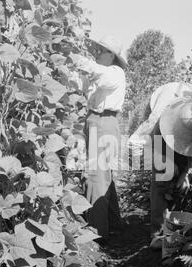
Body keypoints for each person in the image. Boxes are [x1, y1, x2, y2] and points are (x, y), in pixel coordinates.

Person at [129, 82, 192, 250]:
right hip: (160, 133)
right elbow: (136, 144)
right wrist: (164, 160)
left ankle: (174, 225)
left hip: (190, 120)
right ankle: (158, 234)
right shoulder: (158, 118)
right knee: (162, 180)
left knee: (179, 183)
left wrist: (185, 172)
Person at [69, 35, 127, 242]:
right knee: (104, 176)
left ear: (112, 55)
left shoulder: (114, 72)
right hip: (98, 123)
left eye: (101, 50)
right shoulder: (102, 74)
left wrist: (77, 58)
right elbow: (82, 83)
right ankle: (112, 223)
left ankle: (96, 231)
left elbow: (97, 73)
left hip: (103, 123)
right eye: (97, 49)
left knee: (96, 175)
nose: (97, 53)